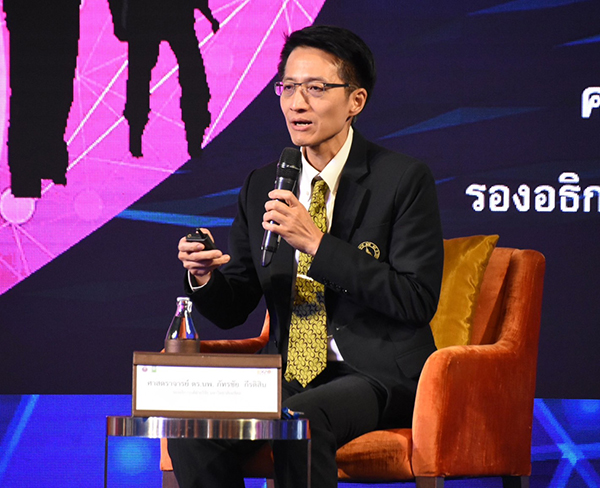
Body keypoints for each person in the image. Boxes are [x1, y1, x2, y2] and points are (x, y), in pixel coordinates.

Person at [171, 25, 444, 488]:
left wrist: (318, 245)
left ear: (355, 101)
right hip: (289, 374)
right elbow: (235, 308)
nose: (297, 103)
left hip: (378, 375)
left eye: (316, 89)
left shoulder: (402, 179)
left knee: (300, 418)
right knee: (194, 427)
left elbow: (415, 300)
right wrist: (204, 278)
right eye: (288, 87)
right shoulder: (263, 184)